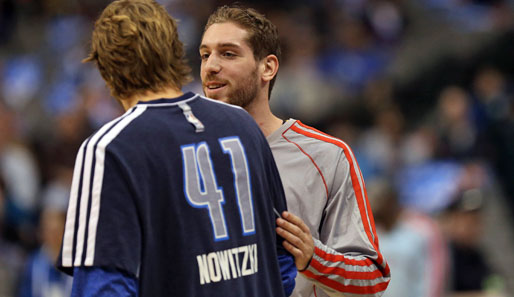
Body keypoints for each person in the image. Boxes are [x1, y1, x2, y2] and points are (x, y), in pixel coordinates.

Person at [56, 0, 295, 296]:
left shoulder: (109, 147)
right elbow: (282, 261)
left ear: (106, 69)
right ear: (175, 51)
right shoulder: (242, 124)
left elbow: (103, 287)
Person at [200, 5, 391, 297]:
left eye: (228, 53)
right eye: (205, 54)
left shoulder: (327, 156)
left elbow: (372, 279)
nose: (211, 66)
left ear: (268, 67)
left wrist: (314, 259)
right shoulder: (182, 155)